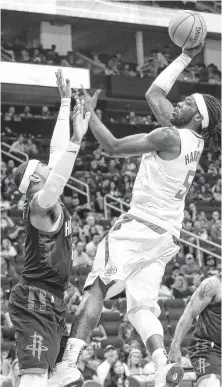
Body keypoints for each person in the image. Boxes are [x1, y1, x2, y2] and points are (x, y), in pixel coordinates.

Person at [53, 41, 221, 387]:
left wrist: (87, 111)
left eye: (187, 102)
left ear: (196, 116)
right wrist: (186, 56)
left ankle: (69, 363)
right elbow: (154, 93)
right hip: (167, 235)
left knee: (97, 286)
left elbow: (112, 148)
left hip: (140, 226)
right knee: (140, 307)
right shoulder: (191, 140)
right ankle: (162, 364)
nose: (179, 102)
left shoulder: (167, 135)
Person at [8, 69, 91, 387]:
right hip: (34, 298)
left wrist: (66, 102)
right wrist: (77, 138)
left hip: (52, 298)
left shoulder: (46, 195)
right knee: (35, 376)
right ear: (35, 180)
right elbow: (58, 176)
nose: (48, 163)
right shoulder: (39, 205)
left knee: (47, 376)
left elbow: (58, 155)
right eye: (42, 166)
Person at [169, 275, 221, 387]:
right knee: (212, 384)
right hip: (207, 347)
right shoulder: (212, 285)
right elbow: (189, 313)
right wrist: (175, 345)